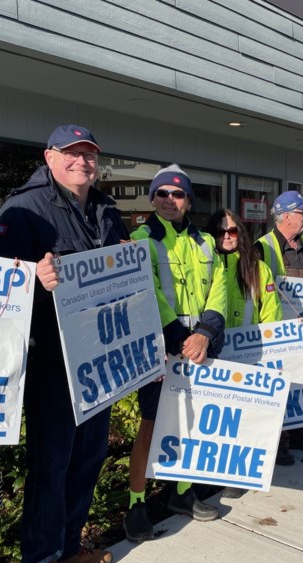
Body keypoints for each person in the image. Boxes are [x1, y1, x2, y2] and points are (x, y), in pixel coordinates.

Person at [0, 125, 127, 563]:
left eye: (89, 154)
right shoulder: (23, 209)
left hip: (101, 355)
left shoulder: (107, 210)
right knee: (52, 464)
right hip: (51, 359)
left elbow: (126, 276)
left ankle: (68, 545)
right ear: (49, 156)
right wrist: (31, 276)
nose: (82, 162)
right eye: (71, 154)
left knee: (88, 456)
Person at [123, 164, 228, 539]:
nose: (170, 199)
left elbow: (220, 289)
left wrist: (205, 333)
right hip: (161, 349)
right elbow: (145, 290)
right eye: (162, 193)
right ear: (152, 199)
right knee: (150, 427)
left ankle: (181, 493)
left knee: (193, 424)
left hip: (199, 347)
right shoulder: (141, 238)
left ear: (189, 201)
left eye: (178, 193)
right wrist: (180, 337)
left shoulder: (205, 242)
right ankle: (136, 503)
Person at [207, 207, 282, 496]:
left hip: (248, 356)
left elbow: (271, 315)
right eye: (221, 231)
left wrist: (272, 356)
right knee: (216, 421)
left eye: (233, 230)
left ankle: (238, 477)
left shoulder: (258, 268)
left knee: (242, 418)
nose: (227, 236)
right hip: (213, 354)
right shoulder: (208, 262)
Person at [256, 190, 303, 464]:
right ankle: (279, 444)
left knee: (302, 384)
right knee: (280, 387)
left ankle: (299, 435)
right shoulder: (263, 247)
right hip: (277, 334)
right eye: (302, 213)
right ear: (285, 216)